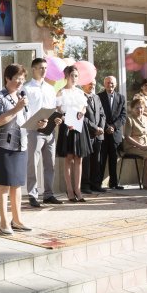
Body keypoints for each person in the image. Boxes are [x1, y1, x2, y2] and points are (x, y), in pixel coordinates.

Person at [0, 64, 37, 234]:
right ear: (7, 78)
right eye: (17, 78)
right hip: (2, 145)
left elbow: (25, 119)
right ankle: (3, 222)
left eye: (22, 78)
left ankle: (17, 220)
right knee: (3, 185)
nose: (20, 81)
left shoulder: (22, 96)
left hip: (20, 144)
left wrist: (40, 122)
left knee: (16, 185)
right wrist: (16, 108)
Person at [24, 58, 63, 206]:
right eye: (40, 68)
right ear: (33, 69)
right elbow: (25, 111)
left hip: (50, 131)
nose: (44, 70)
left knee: (50, 164)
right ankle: (32, 195)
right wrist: (35, 122)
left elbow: (53, 109)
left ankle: (48, 194)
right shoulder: (27, 88)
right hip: (33, 130)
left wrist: (58, 119)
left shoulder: (50, 88)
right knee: (32, 164)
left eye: (45, 68)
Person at [56, 66, 92, 202]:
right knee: (69, 158)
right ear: (66, 76)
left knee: (79, 158)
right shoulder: (61, 92)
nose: (74, 78)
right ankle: (69, 190)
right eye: (72, 75)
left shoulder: (80, 92)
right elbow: (58, 108)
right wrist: (66, 118)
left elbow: (83, 106)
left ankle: (78, 189)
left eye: (76, 75)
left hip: (79, 124)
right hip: (67, 125)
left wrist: (82, 112)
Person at [97, 76, 127, 190]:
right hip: (103, 132)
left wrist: (114, 126)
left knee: (114, 159)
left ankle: (114, 183)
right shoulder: (99, 97)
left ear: (116, 84)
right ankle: (98, 183)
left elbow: (123, 116)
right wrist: (106, 127)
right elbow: (98, 115)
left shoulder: (121, 98)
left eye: (112, 83)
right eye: (108, 83)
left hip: (115, 133)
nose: (110, 85)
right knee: (101, 159)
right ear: (104, 84)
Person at [82, 80, 106, 193]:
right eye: (90, 83)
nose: (92, 86)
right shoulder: (80, 97)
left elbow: (102, 114)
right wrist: (95, 128)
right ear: (83, 84)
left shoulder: (96, 98)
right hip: (87, 133)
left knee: (97, 160)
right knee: (86, 161)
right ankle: (85, 185)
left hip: (98, 135)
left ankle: (95, 184)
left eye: (94, 84)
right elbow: (82, 117)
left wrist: (100, 128)